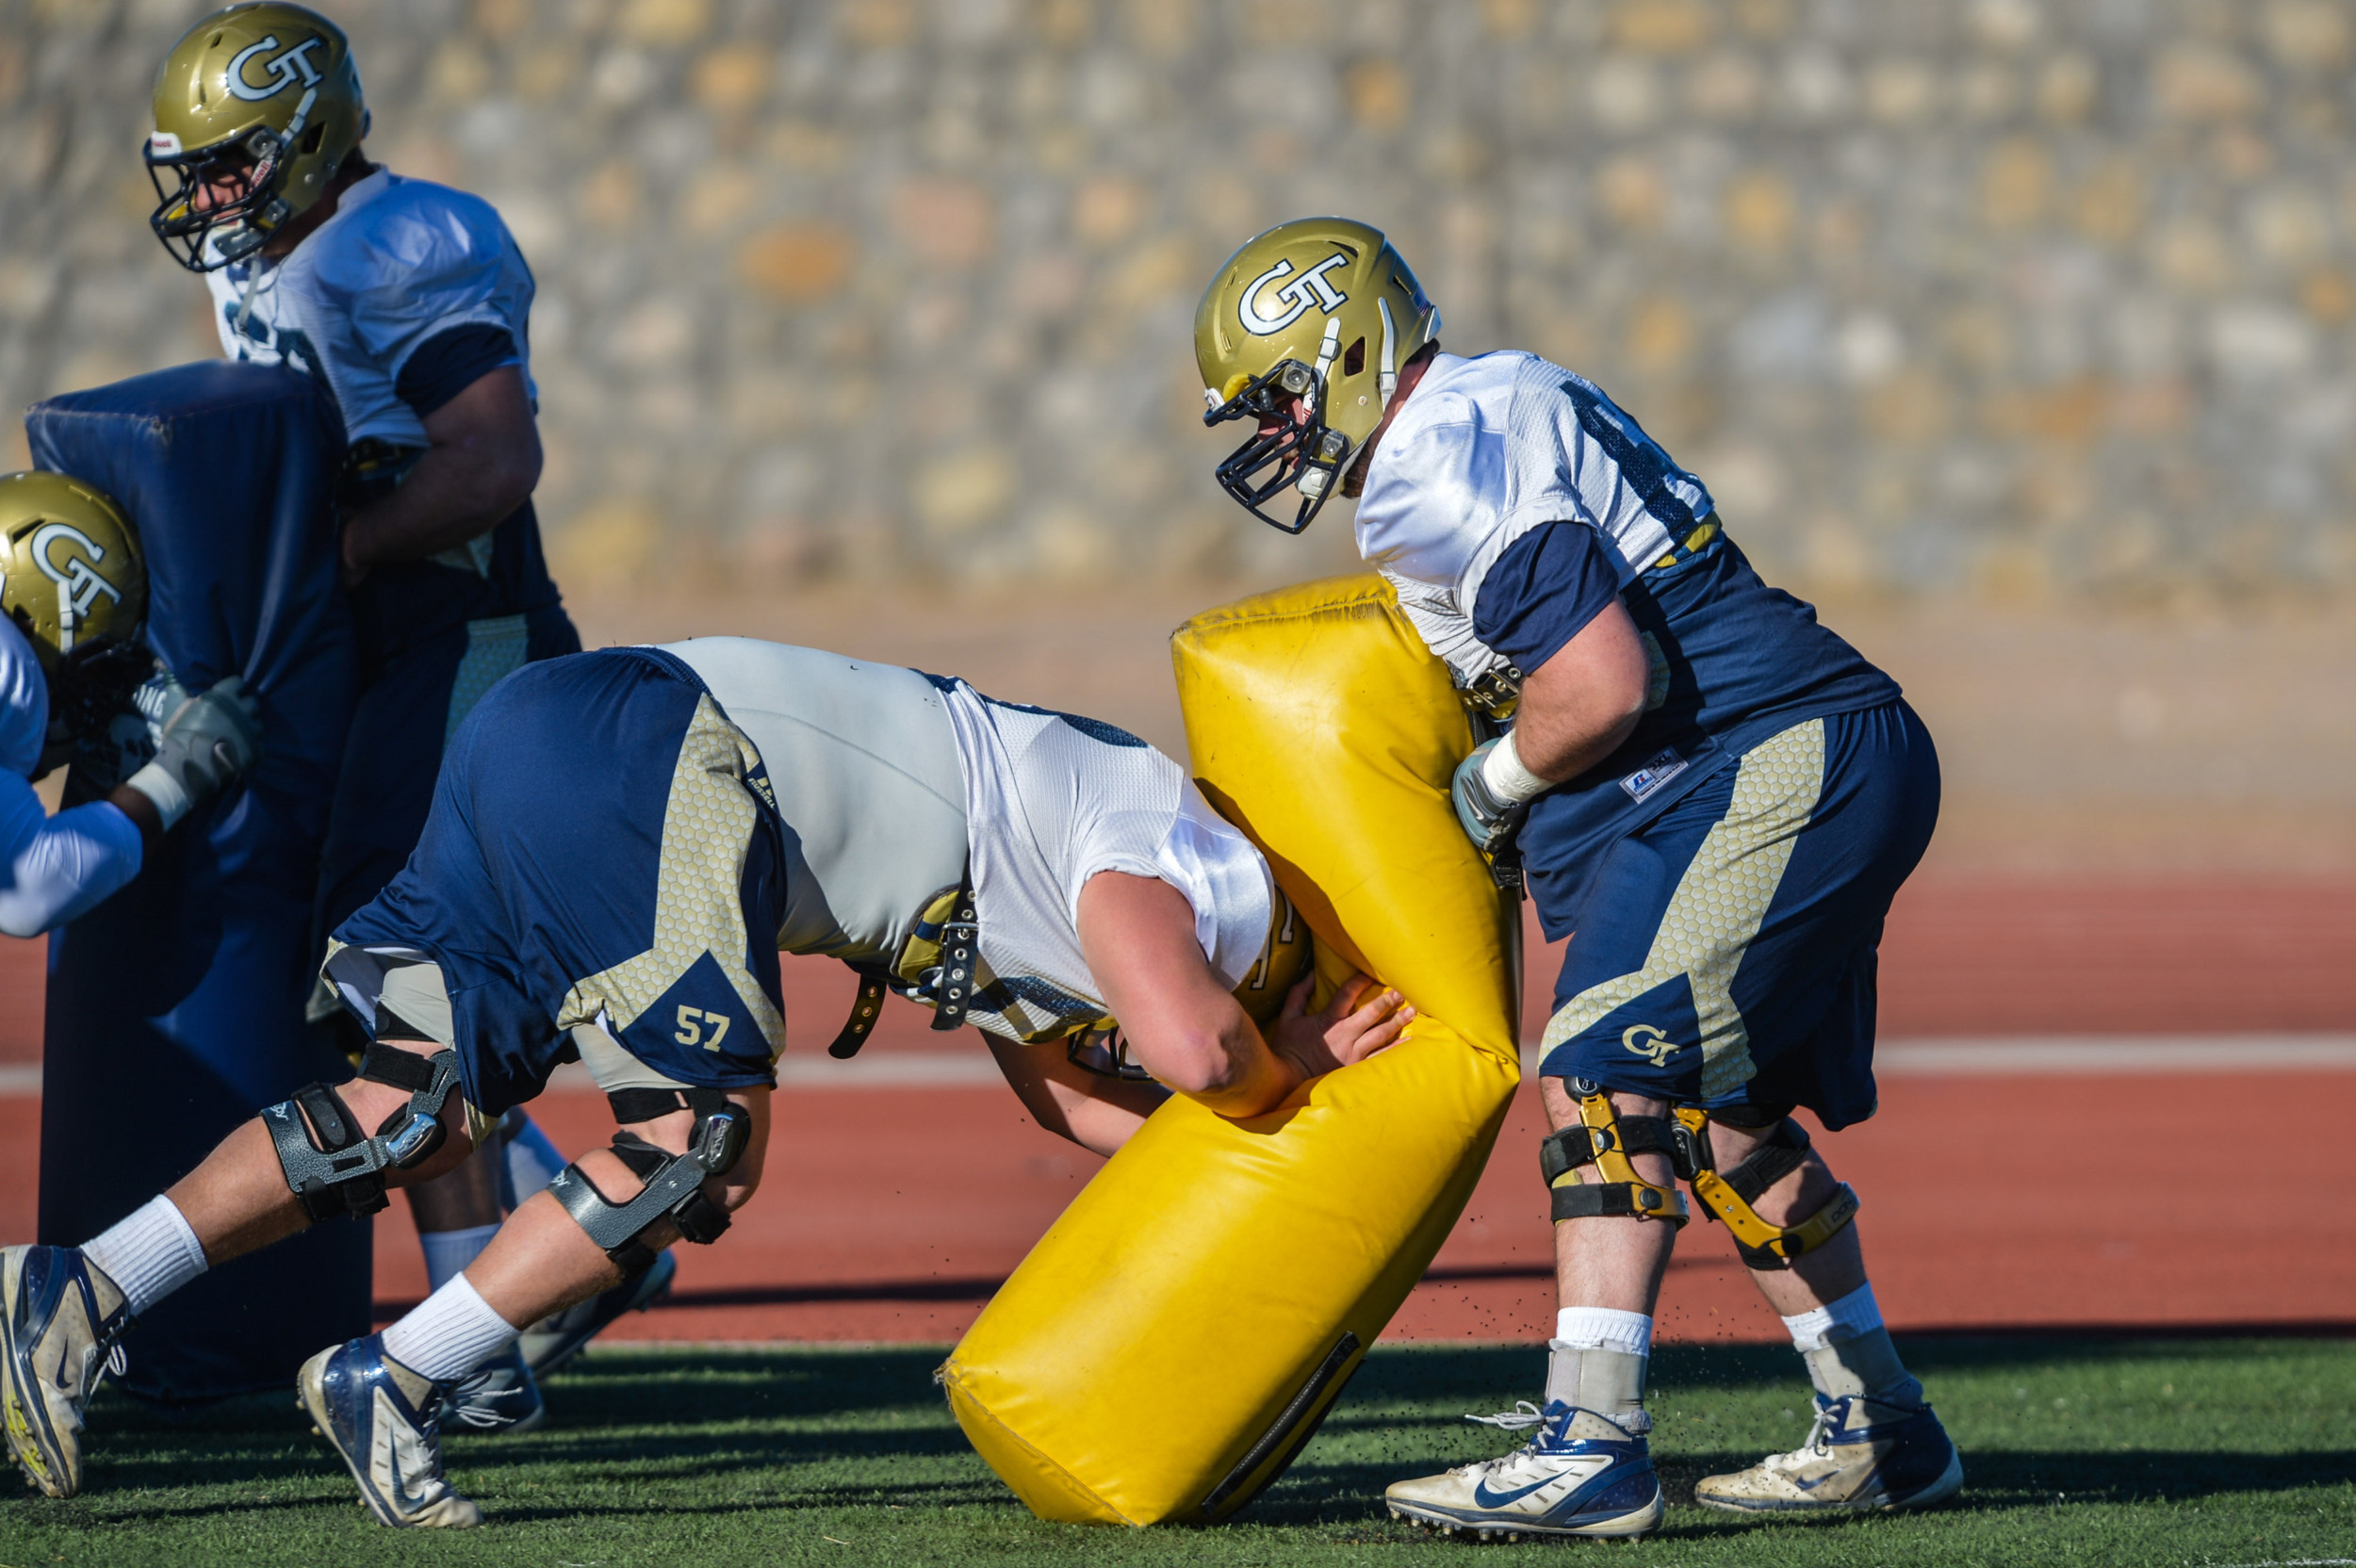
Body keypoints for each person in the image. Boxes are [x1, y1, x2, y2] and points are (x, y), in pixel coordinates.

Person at [0, 636, 1411, 1527]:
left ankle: (83, 1284)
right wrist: (1288, 1072)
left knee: (412, 1102)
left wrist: (1248, 1139)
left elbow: (1079, 1102)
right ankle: (394, 1380)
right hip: (663, 750)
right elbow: (1189, 1050)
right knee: (695, 1145)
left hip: (563, 727)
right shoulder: (1154, 849)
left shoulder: (1053, 855)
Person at [1193, 219, 1959, 1539]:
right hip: (1809, 745)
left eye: (1281, 392)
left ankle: (1589, 1442)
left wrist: (1493, 784)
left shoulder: (1430, 463)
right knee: (1721, 1117)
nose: (1274, 428)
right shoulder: (1502, 396)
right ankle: (1879, 1425)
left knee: (1600, 1072)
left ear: (1355, 347)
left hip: (1762, 757)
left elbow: (1603, 685)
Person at [140, 4, 642, 1425]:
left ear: (307, 136)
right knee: (400, 998)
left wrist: (341, 555)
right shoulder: (292, 253)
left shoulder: (396, 241)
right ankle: (525, 1279)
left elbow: (489, 460)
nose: (214, 197)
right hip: (380, 651)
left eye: (235, 164)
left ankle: (491, 1327)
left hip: (458, 636)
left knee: (417, 991)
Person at [0, 470, 261, 940]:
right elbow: (29, 891)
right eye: (91, 661)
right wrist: (182, 771)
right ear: (27, 617)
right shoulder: (8, 662)